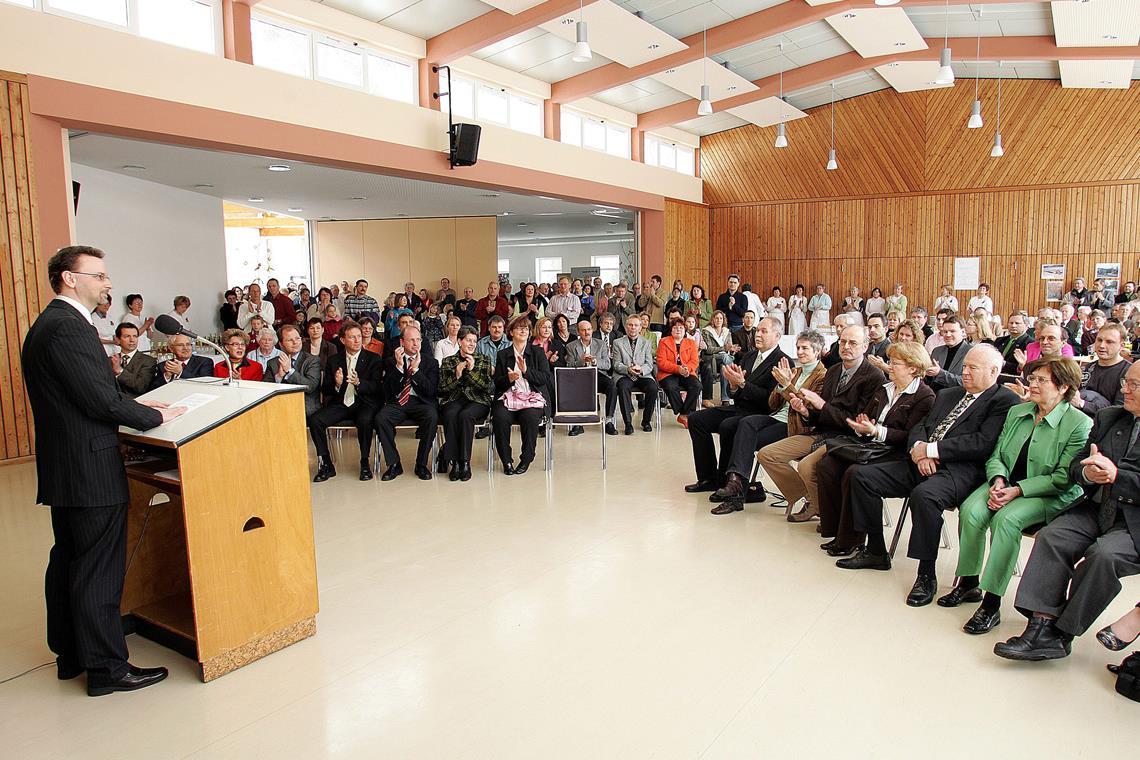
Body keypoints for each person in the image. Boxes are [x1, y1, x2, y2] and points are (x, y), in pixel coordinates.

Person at [22, 245, 186, 696]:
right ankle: (106, 668)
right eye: (98, 275)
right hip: (88, 465)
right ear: (70, 278)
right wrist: (155, 416)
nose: (108, 282)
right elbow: (101, 401)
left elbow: (91, 391)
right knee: (96, 567)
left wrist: (136, 404)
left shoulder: (52, 323)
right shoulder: (68, 327)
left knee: (70, 559)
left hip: (68, 463)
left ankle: (72, 654)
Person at [838, 345, 1020, 608]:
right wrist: (919, 451)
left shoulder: (1003, 400)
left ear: (993, 371)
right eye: (964, 366)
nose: (965, 372)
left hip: (960, 470)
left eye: (972, 368)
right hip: (920, 461)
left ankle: (926, 574)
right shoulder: (948, 394)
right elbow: (920, 427)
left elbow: (982, 442)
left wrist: (932, 451)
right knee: (861, 476)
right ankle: (876, 550)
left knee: (924, 496)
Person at [994, 362, 1140, 661]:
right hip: (1098, 507)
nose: (1124, 389)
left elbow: (1119, 475)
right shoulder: (1110, 417)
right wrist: (1088, 473)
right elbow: (1076, 466)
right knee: (1053, 537)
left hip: (1134, 521)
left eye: (1134, 385)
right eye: (1125, 381)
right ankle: (1040, 623)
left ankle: (1061, 633)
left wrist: (1116, 476)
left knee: (1104, 556)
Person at [944, 357, 1091, 635]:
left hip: (1048, 492)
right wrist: (998, 479)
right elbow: (996, 455)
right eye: (1032, 378)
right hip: (1006, 482)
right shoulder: (1018, 412)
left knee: (1006, 520)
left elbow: (1063, 478)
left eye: (1041, 380)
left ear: (1063, 387)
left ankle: (991, 603)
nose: (1032, 384)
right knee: (971, 510)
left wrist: (1017, 490)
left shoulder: (1079, 423)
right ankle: (969, 582)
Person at [815, 342, 936, 554]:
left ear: (913, 368)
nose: (889, 366)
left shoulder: (924, 396)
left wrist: (876, 431)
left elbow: (910, 436)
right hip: (871, 445)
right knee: (827, 464)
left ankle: (853, 539)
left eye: (895, 363)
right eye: (890, 361)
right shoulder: (885, 388)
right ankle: (836, 530)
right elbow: (868, 416)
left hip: (896, 453)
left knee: (854, 473)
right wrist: (862, 426)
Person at [759, 325, 885, 523]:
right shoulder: (834, 370)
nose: (846, 346)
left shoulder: (874, 376)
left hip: (848, 438)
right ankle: (813, 499)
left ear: (865, 347)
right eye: (843, 342)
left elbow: (857, 423)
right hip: (822, 432)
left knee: (806, 466)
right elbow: (819, 414)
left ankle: (821, 507)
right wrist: (806, 412)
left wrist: (822, 405)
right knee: (767, 454)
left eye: (853, 343)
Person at [710, 330, 827, 514]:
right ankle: (735, 484)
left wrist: (787, 385)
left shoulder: (823, 376)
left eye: (805, 348)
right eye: (798, 347)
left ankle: (736, 492)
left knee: (744, 439)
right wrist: (780, 385)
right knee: (743, 424)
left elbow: (808, 407)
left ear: (817, 351)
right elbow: (773, 403)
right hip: (776, 417)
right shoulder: (795, 371)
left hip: (796, 425)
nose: (800, 352)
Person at [685, 318, 787, 494]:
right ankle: (708, 478)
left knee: (728, 425)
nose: (758, 334)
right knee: (696, 419)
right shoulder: (749, 356)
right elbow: (735, 392)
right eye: (757, 330)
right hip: (739, 408)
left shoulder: (782, 362)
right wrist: (733, 386)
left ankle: (727, 481)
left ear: (777, 336)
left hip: (760, 414)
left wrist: (742, 384)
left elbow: (771, 402)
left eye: (764, 331)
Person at [309, 321, 384, 482]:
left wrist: (359, 383)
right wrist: (337, 384)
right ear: (343, 340)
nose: (357, 340)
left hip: (364, 402)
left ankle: (365, 462)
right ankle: (326, 463)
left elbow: (377, 387)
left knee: (365, 421)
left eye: (359, 336)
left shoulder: (373, 359)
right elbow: (325, 389)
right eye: (352, 337)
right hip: (341, 403)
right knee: (315, 421)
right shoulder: (334, 360)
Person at [375, 324, 440, 481]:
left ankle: (421, 464)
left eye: (418, 340)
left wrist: (416, 371)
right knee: (381, 418)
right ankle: (394, 464)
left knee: (432, 417)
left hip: (421, 402)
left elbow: (431, 391)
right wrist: (399, 367)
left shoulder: (430, 362)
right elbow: (388, 391)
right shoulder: (391, 361)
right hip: (399, 401)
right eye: (411, 340)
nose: (416, 343)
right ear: (402, 342)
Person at [492, 315, 553, 475]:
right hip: (509, 396)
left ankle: (526, 459)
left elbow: (545, 378)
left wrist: (526, 371)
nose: (523, 331)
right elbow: (497, 382)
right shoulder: (503, 354)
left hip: (532, 396)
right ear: (511, 332)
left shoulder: (538, 352)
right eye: (519, 328)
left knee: (530, 418)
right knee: (499, 417)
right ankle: (506, 460)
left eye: (526, 328)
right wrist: (509, 379)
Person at [438, 326, 492, 481]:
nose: (472, 344)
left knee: (465, 416)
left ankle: (465, 462)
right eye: (468, 340)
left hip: (478, 400)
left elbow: (486, 387)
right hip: (454, 399)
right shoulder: (448, 361)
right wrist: (457, 374)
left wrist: (471, 370)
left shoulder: (484, 360)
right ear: (460, 341)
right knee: (450, 414)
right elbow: (442, 388)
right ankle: (454, 462)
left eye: (474, 341)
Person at [565, 319, 619, 436]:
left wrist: (595, 361)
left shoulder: (601, 344)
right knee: (575, 388)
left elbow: (607, 365)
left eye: (589, 329)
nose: (587, 332)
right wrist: (581, 361)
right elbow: (569, 366)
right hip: (580, 375)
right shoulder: (571, 346)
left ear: (592, 330)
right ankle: (578, 423)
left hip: (597, 374)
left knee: (612, 386)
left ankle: (609, 421)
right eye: (583, 330)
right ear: (578, 332)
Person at [612, 314, 659, 434]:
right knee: (622, 387)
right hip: (624, 375)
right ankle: (628, 423)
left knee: (653, 388)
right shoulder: (617, 343)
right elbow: (616, 364)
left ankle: (646, 421)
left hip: (642, 374)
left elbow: (649, 364)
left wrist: (641, 369)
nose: (633, 327)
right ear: (626, 326)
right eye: (630, 325)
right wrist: (628, 369)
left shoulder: (646, 342)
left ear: (640, 327)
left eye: (636, 325)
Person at [1074, 322, 1129, 417]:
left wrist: (1083, 404)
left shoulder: (1128, 372)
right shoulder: (1087, 368)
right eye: (1099, 340)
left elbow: (1120, 409)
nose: (1102, 345)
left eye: (1109, 342)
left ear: (1121, 346)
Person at [267, 324, 321, 418]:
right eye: (289, 340)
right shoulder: (273, 363)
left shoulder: (312, 360)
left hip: (305, 406)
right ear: (281, 344)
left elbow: (310, 386)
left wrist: (289, 371)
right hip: (279, 406)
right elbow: (266, 390)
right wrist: (279, 377)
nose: (295, 342)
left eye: (297, 338)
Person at [657, 319, 701, 426]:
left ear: (685, 330)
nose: (678, 330)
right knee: (671, 387)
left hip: (686, 372)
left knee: (697, 385)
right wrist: (678, 369)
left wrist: (687, 368)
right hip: (668, 373)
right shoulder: (663, 341)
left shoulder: (691, 343)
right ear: (671, 330)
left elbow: (695, 361)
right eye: (675, 327)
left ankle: (683, 414)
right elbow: (661, 362)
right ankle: (685, 413)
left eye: (681, 327)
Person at [109, 322, 157, 399]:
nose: (132, 340)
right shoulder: (110, 360)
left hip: (135, 402)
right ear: (118, 340)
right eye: (127, 336)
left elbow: (141, 386)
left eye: (135, 336)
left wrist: (120, 371)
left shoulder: (148, 361)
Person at [700, 310, 734, 405]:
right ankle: (732, 370)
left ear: (723, 320)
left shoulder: (727, 332)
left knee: (724, 368)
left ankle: (725, 399)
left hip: (723, 359)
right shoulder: (706, 331)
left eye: (721, 318)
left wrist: (732, 349)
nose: (719, 320)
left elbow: (729, 347)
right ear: (713, 320)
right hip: (711, 358)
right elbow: (709, 349)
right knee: (725, 357)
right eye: (716, 318)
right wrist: (723, 348)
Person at [927, 315, 969, 391]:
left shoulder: (971, 352)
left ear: (963, 332)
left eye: (952, 331)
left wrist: (940, 373)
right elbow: (929, 380)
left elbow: (966, 381)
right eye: (945, 332)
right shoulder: (937, 351)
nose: (948, 335)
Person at [302, 316, 338, 381]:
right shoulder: (302, 346)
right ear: (308, 331)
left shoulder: (331, 347)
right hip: (305, 378)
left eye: (318, 328)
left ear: (322, 330)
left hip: (325, 380)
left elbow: (333, 368)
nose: (315, 330)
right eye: (312, 328)